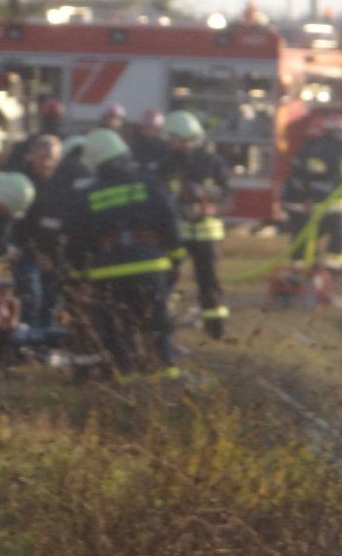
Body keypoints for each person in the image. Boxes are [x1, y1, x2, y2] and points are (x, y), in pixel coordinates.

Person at [63, 129, 183, 380]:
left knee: (118, 330)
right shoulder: (149, 182)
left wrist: (77, 275)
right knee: (157, 324)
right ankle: (168, 375)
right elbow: (169, 219)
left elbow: (76, 239)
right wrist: (176, 256)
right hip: (150, 265)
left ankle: (127, 381)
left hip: (107, 271)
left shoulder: (86, 195)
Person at [159, 110, 231, 339]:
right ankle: (163, 322)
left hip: (206, 233)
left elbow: (227, 195)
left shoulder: (212, 162)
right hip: (176, 233)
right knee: (166, 278)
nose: (169, 143)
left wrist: (206, 198)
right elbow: (158, 194)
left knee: (208, 282)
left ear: (183, 136)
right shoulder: (167, 163)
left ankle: (215, 327)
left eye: (172, 138)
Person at [286, 114, 342, 272]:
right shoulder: (319, 150)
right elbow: (313, 174)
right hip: (319, 201)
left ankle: (327, 265)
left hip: (330, 201)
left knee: (339, 233)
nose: (341, 136)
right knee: (311, 234)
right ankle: (317, 266)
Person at [12, 136, 62, 328]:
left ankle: (46, 343)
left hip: (53, 254)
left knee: (52, 301)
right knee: (32, 297)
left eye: (52, 157)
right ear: (32, 156)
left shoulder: (61, 183)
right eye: (43, 156)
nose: (47, 162)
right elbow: (18, 226)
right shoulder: (22, 182)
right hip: (27, 251)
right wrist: (36, 255)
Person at [2, 98, 68, 172]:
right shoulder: (28, 143)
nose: (46, 163)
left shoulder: (70, 142)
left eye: (54, 117)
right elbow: (11, 167)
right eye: (49, 117)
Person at [130, 108, 170, 174]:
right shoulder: (134, 144)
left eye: (153, 128)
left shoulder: (164, 147)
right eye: (147, 127)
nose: (149, 131)